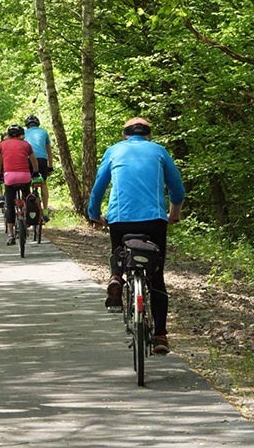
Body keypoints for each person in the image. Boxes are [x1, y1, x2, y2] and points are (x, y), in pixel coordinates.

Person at [87, 117, 184, 355]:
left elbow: (99, 186)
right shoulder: (159, 151)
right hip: (154, 221)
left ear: (125, 135)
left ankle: (116, 276)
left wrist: (94, 214)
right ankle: (160, 336)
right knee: (157, 278)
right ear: (148, 135)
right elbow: (178, 190)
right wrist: (174, 214)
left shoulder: (114, 151)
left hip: (120, 220)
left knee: (119, 253)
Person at [0, 124, 40, 245]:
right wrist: (35, 172)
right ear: (21, 135)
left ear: (8, 135)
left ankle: (10, 235)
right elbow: (34, 161)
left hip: (9, 177)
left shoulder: (2, 145)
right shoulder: (26, 145)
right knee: (27, 197)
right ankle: (27, 217)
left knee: (9, 205)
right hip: (24, 176)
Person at [24, 115, 53, 222]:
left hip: (28, 159)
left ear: (27, 125)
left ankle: (26, 208)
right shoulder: (44, 132)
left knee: (26, 183)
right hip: (42, 160)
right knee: (43, 183)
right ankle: (45, 211)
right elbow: (49, 152)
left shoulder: (23, 133)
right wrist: (50, 166)